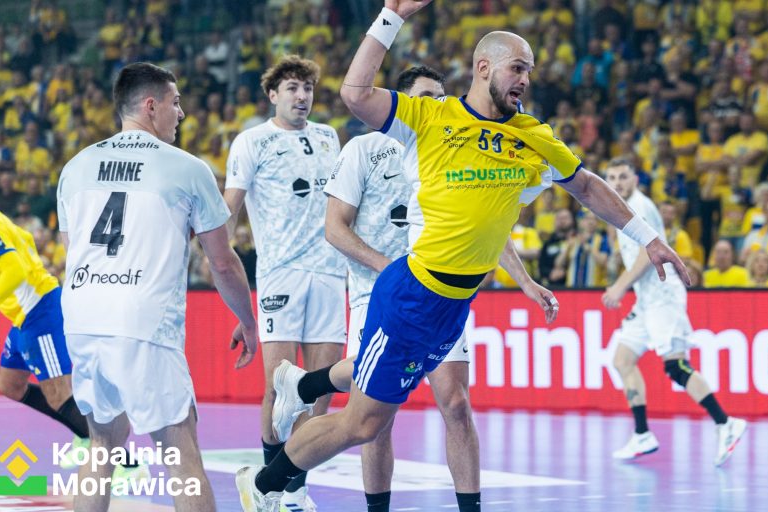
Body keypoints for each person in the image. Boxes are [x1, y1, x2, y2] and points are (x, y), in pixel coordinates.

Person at [235, 2, 689, 510]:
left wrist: (648, 237)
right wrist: (391, 16)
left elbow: (584, 185)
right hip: (409, 295)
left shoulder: (533, 136)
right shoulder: (433, 116)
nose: (525, 80)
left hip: (453, 307)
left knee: (445, 404)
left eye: (530, 71)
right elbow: (355, 93)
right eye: (517, 68)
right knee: (363, 423)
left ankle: (302, 390)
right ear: (484, 67)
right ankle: (263, 484)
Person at [57, 62, 259, 512]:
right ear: (151, 106)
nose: (181, 113)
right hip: (142, 321)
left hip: (83, 317)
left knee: (102, 445)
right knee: (181, 454)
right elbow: (222, 262)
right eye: (176, 102)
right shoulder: (186, 168)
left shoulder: (76, 166)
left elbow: (74, 251)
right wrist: (248, 320)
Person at [224, 54, 346, 502]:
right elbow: (230, 209)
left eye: (307, 88)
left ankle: (293, 492)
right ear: (273, 95)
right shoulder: (252, 141)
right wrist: (226, 274)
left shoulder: (329, 136)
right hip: (281, 276)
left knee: (319, 396)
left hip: (331, 273)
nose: (302, 96)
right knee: (278, 391)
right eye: (292, 88)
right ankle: (268, 492)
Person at [0, 184, 148, 480]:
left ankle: (129, 465)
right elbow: (24, 238)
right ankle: (83, 431)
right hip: (23, 316)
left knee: (60, 395)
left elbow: (14, 271)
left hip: (38, 311)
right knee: (10, 384)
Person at [600, 158, 746, 466]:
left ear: (635, 179)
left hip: (664, 297)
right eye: (611, 178)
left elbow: (647, 253)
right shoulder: (616, 207)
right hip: (646, 300)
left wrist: (620, 286)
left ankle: (726, 423)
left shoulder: (640, 206)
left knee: (676, 367)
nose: (617, 183)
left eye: (623, 177)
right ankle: (642, 434)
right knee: (622, 359)